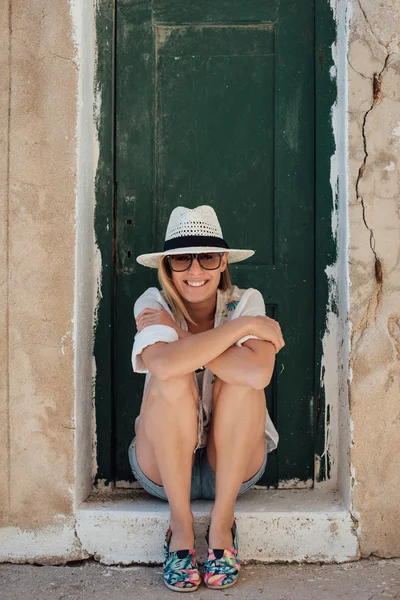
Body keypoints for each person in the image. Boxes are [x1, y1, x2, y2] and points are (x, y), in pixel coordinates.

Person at [128, 205, 284, 592]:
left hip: (231, 465)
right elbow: (162, 367)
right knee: (171, 379)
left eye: (207, 257)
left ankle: (221, 528)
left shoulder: (246, 303)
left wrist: (183, 338)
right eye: (182, 258)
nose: (195, 271)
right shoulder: (153, 304)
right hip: (161, 468)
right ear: (167, 267)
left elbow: (257, 373)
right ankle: (179, 530)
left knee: (241, 385)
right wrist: (239, 335)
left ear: (222, 263)